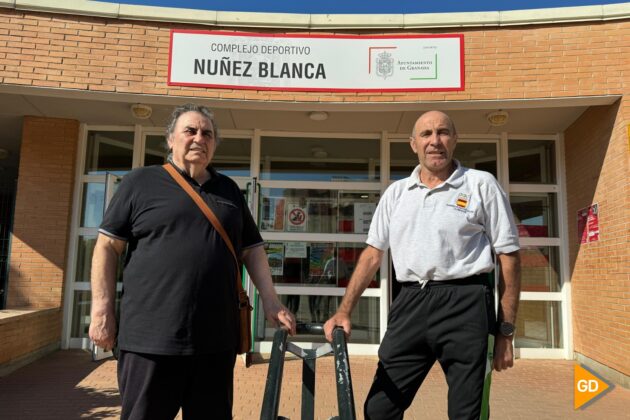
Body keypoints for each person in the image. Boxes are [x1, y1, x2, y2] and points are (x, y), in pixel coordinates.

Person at [89, 103, 296, 420]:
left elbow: (252, 250)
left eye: (208, 133)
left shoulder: (228, 190)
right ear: (170, 139)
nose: (200, 138)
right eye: (191, 131)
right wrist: (102, 308)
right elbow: (106, 246)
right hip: (149, 342)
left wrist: (271, 300)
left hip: (214, 342)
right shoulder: (139, 183)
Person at [324, 111, 521, 420]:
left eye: (443, 132)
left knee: (466, 413)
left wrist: (505, 332)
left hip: (467, 305)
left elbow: (508, 257)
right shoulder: (396, 193)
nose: (435, 141)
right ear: (413, 143)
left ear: (455, 139)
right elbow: (373, 254)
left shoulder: (481, 184)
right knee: (379, 409)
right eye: (426, 134)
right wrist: (344, 310)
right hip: (411, 302)